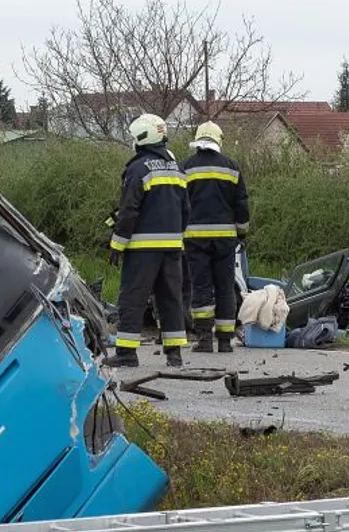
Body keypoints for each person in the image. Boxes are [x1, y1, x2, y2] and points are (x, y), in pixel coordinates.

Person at [104, 113, 189, 369]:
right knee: (170, 298)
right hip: (173, 249)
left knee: (132, 297)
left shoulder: (138, 169)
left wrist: (116, 245)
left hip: (142, 250)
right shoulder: (177, 168)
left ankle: (127, 354)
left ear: (142, 138)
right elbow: (186, 210)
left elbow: (129, 211)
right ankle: (174, 354)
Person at [180, 121, 251, 353]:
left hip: (195, 239)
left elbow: (179, 204)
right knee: (224, 286)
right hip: (225, 239)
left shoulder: (186, 168)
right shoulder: (231, 167)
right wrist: (242, 233)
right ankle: (224, 341)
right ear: (218, 140)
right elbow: (241, 205)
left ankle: (204, 340)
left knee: (201, 287)